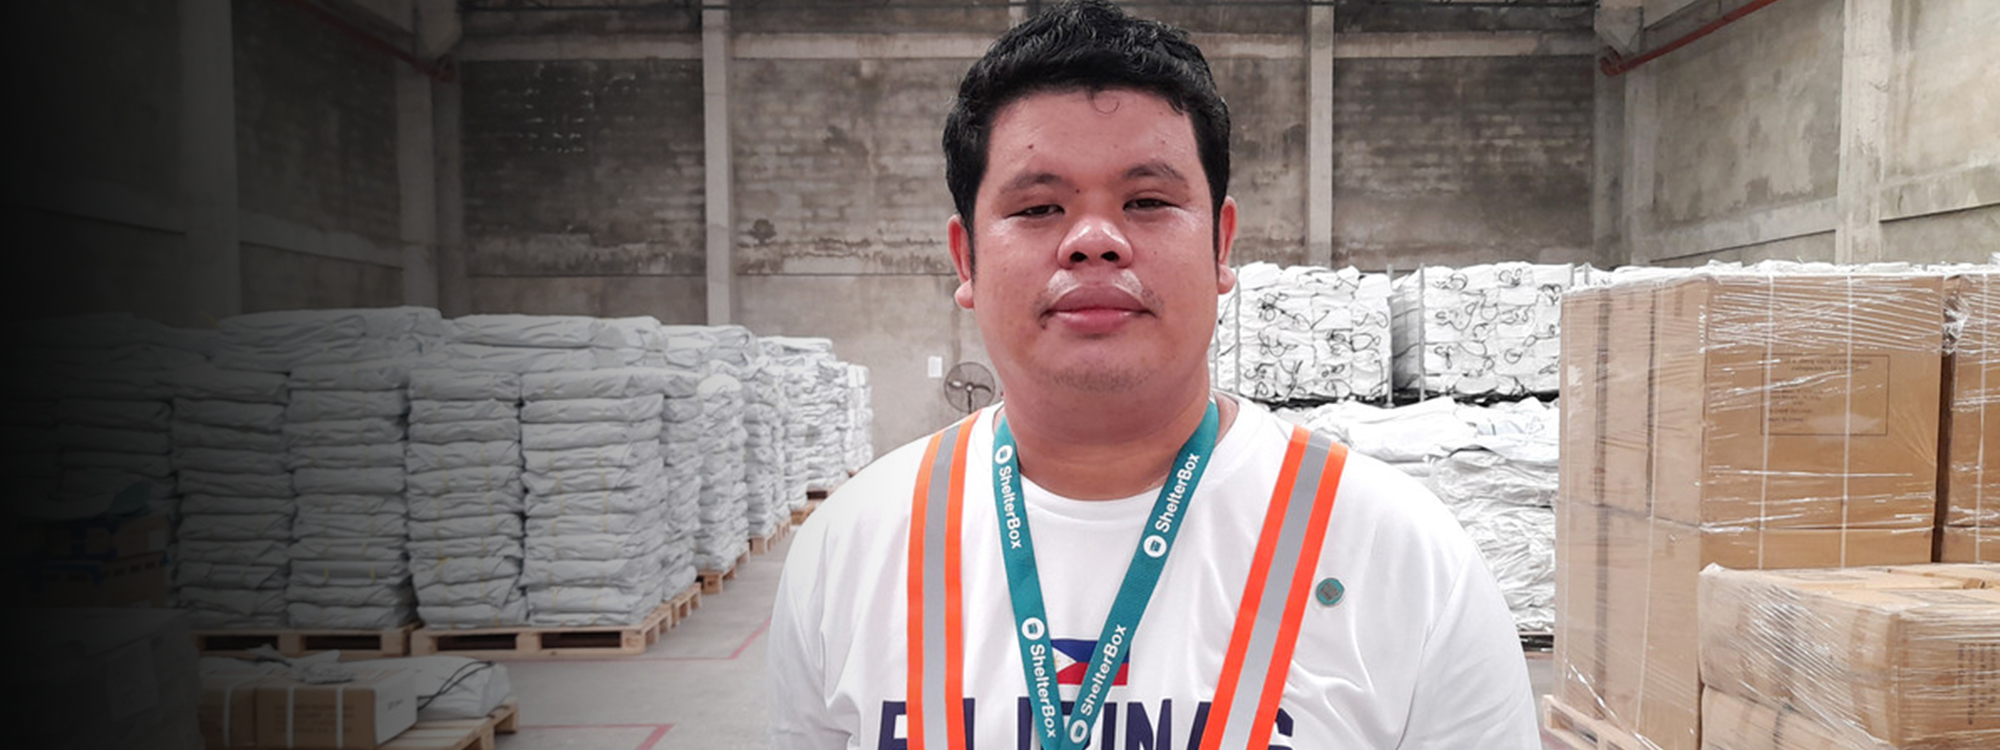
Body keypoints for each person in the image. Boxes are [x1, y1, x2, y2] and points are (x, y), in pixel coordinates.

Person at [768, 2, 1540, 747]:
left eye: (1146, 200)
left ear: (1221, 244)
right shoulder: (853, 544)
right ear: (965, 258)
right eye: (1038, 209)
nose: (1095, 241)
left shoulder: (1401, 557)